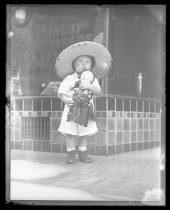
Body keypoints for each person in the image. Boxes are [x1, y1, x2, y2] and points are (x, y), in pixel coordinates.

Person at [55, 41, 112, 164]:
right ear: (74, 65)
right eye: (80, 62)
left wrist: (89, 86)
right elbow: (62, 92)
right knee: (71, 133)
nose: (83, 65)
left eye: (87, 62)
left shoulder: (93, 79)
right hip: (71, 109)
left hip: (86, 110)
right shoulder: (69, 78)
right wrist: (66, 99)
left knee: (83, 133)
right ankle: (70, 154)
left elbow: (98, 91)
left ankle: (83, 153)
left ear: (91, 65)